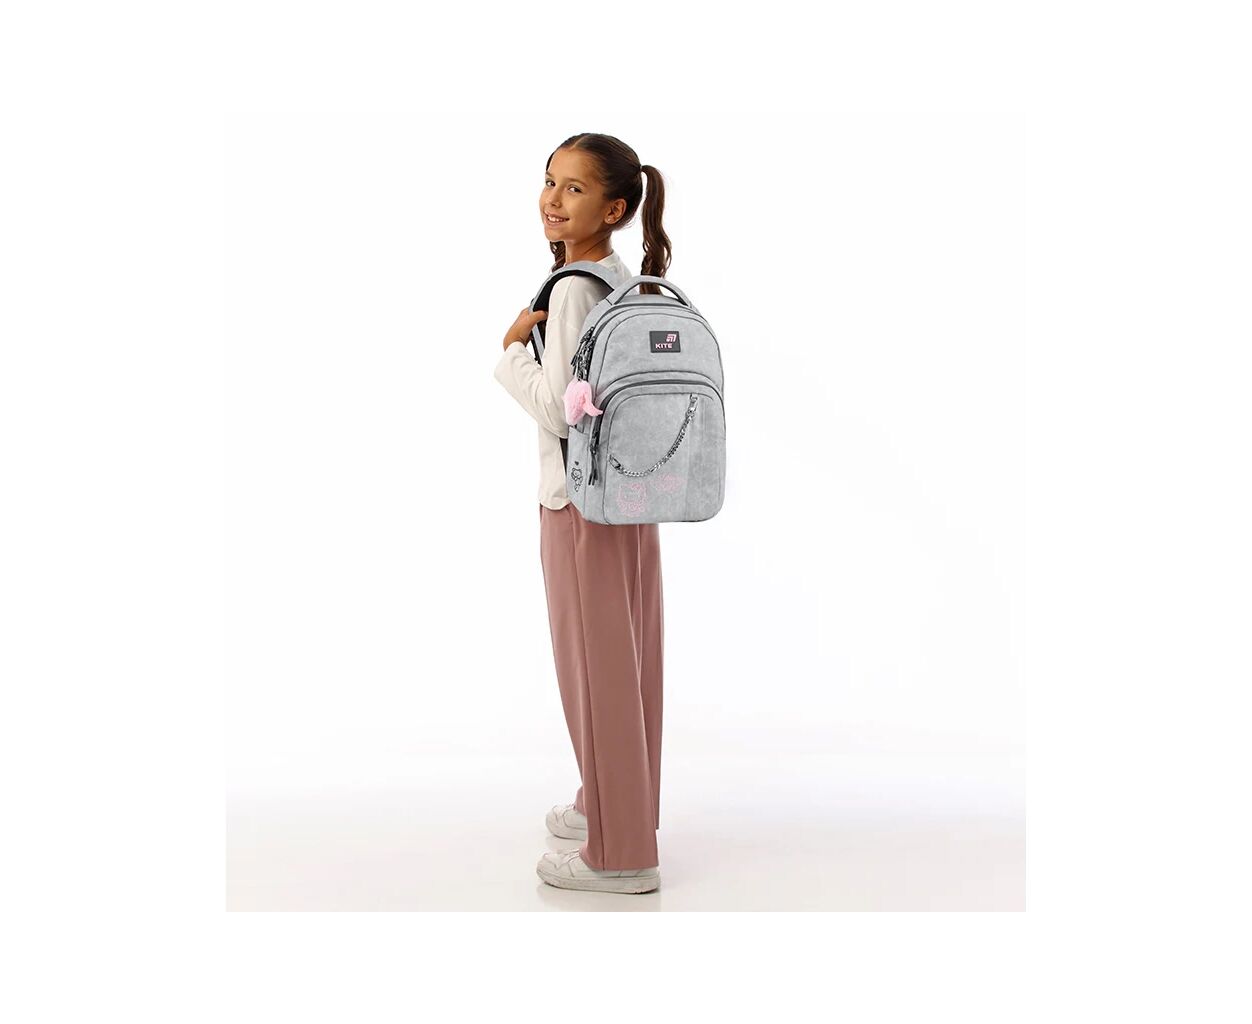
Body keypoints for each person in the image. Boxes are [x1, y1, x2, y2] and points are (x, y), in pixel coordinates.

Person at [493, 133, 672, 895]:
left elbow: (564, 412)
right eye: (549, 181)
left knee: (594, 671)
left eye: (574, 188)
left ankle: (621, 853)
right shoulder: (622, 279)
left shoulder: (571, 290)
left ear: (615, 208)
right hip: (631, 497)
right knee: (628, 664)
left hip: (579, 504)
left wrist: (513, 353)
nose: (552, 199)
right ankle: (613, 804)